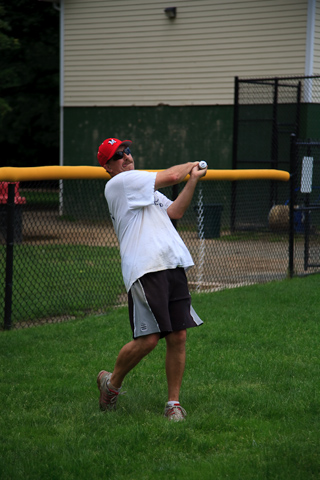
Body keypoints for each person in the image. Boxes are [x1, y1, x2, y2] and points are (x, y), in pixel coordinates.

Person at [96, 137, 207, 421]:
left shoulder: (144, 188)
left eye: (128, 151)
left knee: (178, 335)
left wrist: (192, 180)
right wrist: (191, 164)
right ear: (108, 166)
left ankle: (173, 404)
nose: (127, 156)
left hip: (172, 263)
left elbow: (175, 212)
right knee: (148, 341)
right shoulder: (120, 184)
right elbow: (171, 175)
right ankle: (112, 383)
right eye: (118, 155)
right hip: (146, 267)